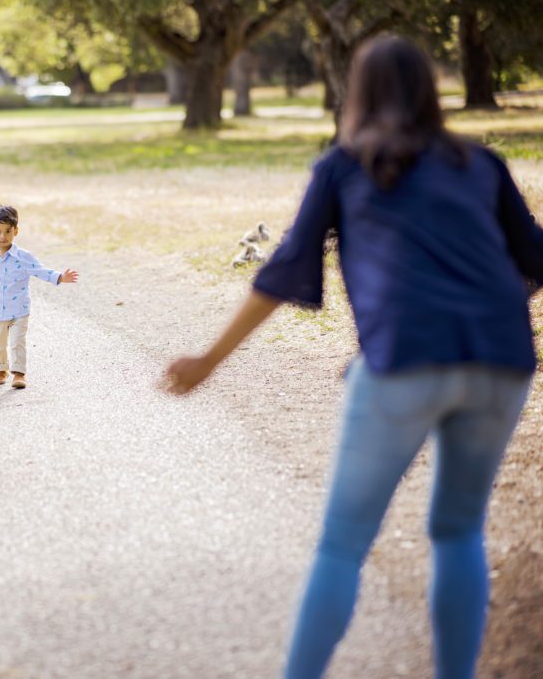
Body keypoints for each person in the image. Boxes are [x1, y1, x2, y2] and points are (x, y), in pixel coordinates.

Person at [163, 36, 543, 679]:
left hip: (404, 366)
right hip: (502, 360)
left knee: (343, 544)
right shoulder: (479, 164)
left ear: (355, 94)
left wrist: (208, 361)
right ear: (431, 91)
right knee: (458, 532)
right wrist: (475, 310)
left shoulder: (343, 167)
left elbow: (280, 274)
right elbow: (533, 262)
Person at [0, 204, 79, 389]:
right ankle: (1, 369)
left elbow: (40, 270)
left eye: (8, 231)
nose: (3, 236)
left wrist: (60, 277)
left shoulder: (23, 257)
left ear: (16, 231)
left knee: (17, 343)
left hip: (20, 310)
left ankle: (19, 373)